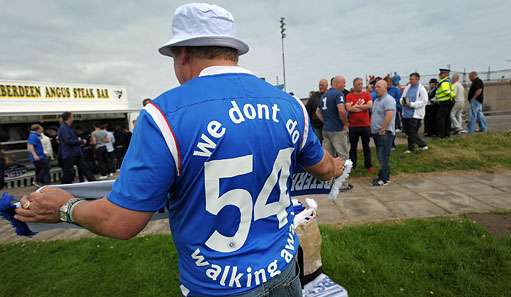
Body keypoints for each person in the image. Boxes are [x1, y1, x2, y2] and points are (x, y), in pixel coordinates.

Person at [14, 4, 344, 297]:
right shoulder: (288, 105)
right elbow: (325, 169)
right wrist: (340, 164)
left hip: (216, 285)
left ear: (182, 55)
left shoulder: (164, 114)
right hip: (283, 268)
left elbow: (121, 221)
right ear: (232, 52)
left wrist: (66, 207)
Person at [316, 75, 352, 191]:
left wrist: (326, 121)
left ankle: (327, 183)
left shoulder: (324, 96)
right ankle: (343, 184)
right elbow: (341, 110)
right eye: (344, 83)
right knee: (343, 156)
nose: (345, 85)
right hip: (337, 130)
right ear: (337, 83)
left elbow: (318, 112)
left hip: (326, 130)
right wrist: (345, 123)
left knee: (327, 157)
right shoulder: (338, 94)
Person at [58, 112, 96, 184]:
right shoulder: (64, 128)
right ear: (69, 118)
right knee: (68, 172)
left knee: (85, 168)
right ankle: (64, 186)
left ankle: (93, 182)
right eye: (72, 116)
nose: (73, 118)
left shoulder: (67, 127)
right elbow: (68, 140)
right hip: (70, 153)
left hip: (75, 152)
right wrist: (80, 141)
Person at [370, 80, 396, 186]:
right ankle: (383, 176)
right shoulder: (377, 100)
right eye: (375, 87)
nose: (376, 89)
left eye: (379, 87)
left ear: (385, 88)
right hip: (377, 133)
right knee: (382, 156)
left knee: (383, 156)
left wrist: (383, 128)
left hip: (385, 133)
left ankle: (384, 179)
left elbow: (389, 115)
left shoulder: (388, 100)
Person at [345, 77, 373, 172]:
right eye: (358, 84)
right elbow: (348, 108)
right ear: (354, 85)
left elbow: (369, 105)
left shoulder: (366, 95)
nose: (360, 86)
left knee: (366, 147)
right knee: (353, 147)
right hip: (353, 126)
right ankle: (353, 165)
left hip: (365, 125)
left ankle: (368, 165)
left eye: (361, 84)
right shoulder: (349, 96)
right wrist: (362, 108)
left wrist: (357, 107)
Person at [400, 73, 429, 153]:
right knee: (407, 131)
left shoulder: (422, 89)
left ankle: (421, 145)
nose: (410, 81)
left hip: (415, 114)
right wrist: (402, 102)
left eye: (412, 79)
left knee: (412, 132)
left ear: (417, 79)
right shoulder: (407, 87)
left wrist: (412, 104)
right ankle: (412, 147)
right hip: (406, 113)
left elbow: (424, 101)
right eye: (410, 79)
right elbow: (402, 97)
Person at [434, 68, 456, 138]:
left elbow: (446, 91)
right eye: (440, 74)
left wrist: (452, 95)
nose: (440, 75)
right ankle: (446, 133)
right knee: (446, 118)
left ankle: (441, 134)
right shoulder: (446, 81)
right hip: (446, 102)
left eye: (441, 74)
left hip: (445, 102)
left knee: (440, 118)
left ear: (446, 74)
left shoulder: (444, 82)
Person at [385, 76, 401, 149]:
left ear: (391, 83)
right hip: (383, 112)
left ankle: (392, 144)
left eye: (388, 83)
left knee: (391, 128)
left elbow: (398, 100)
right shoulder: (383, 90)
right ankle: (386, 144)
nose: (387, 84)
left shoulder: (396, 90)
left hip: (393, 112)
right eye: (386, 83)